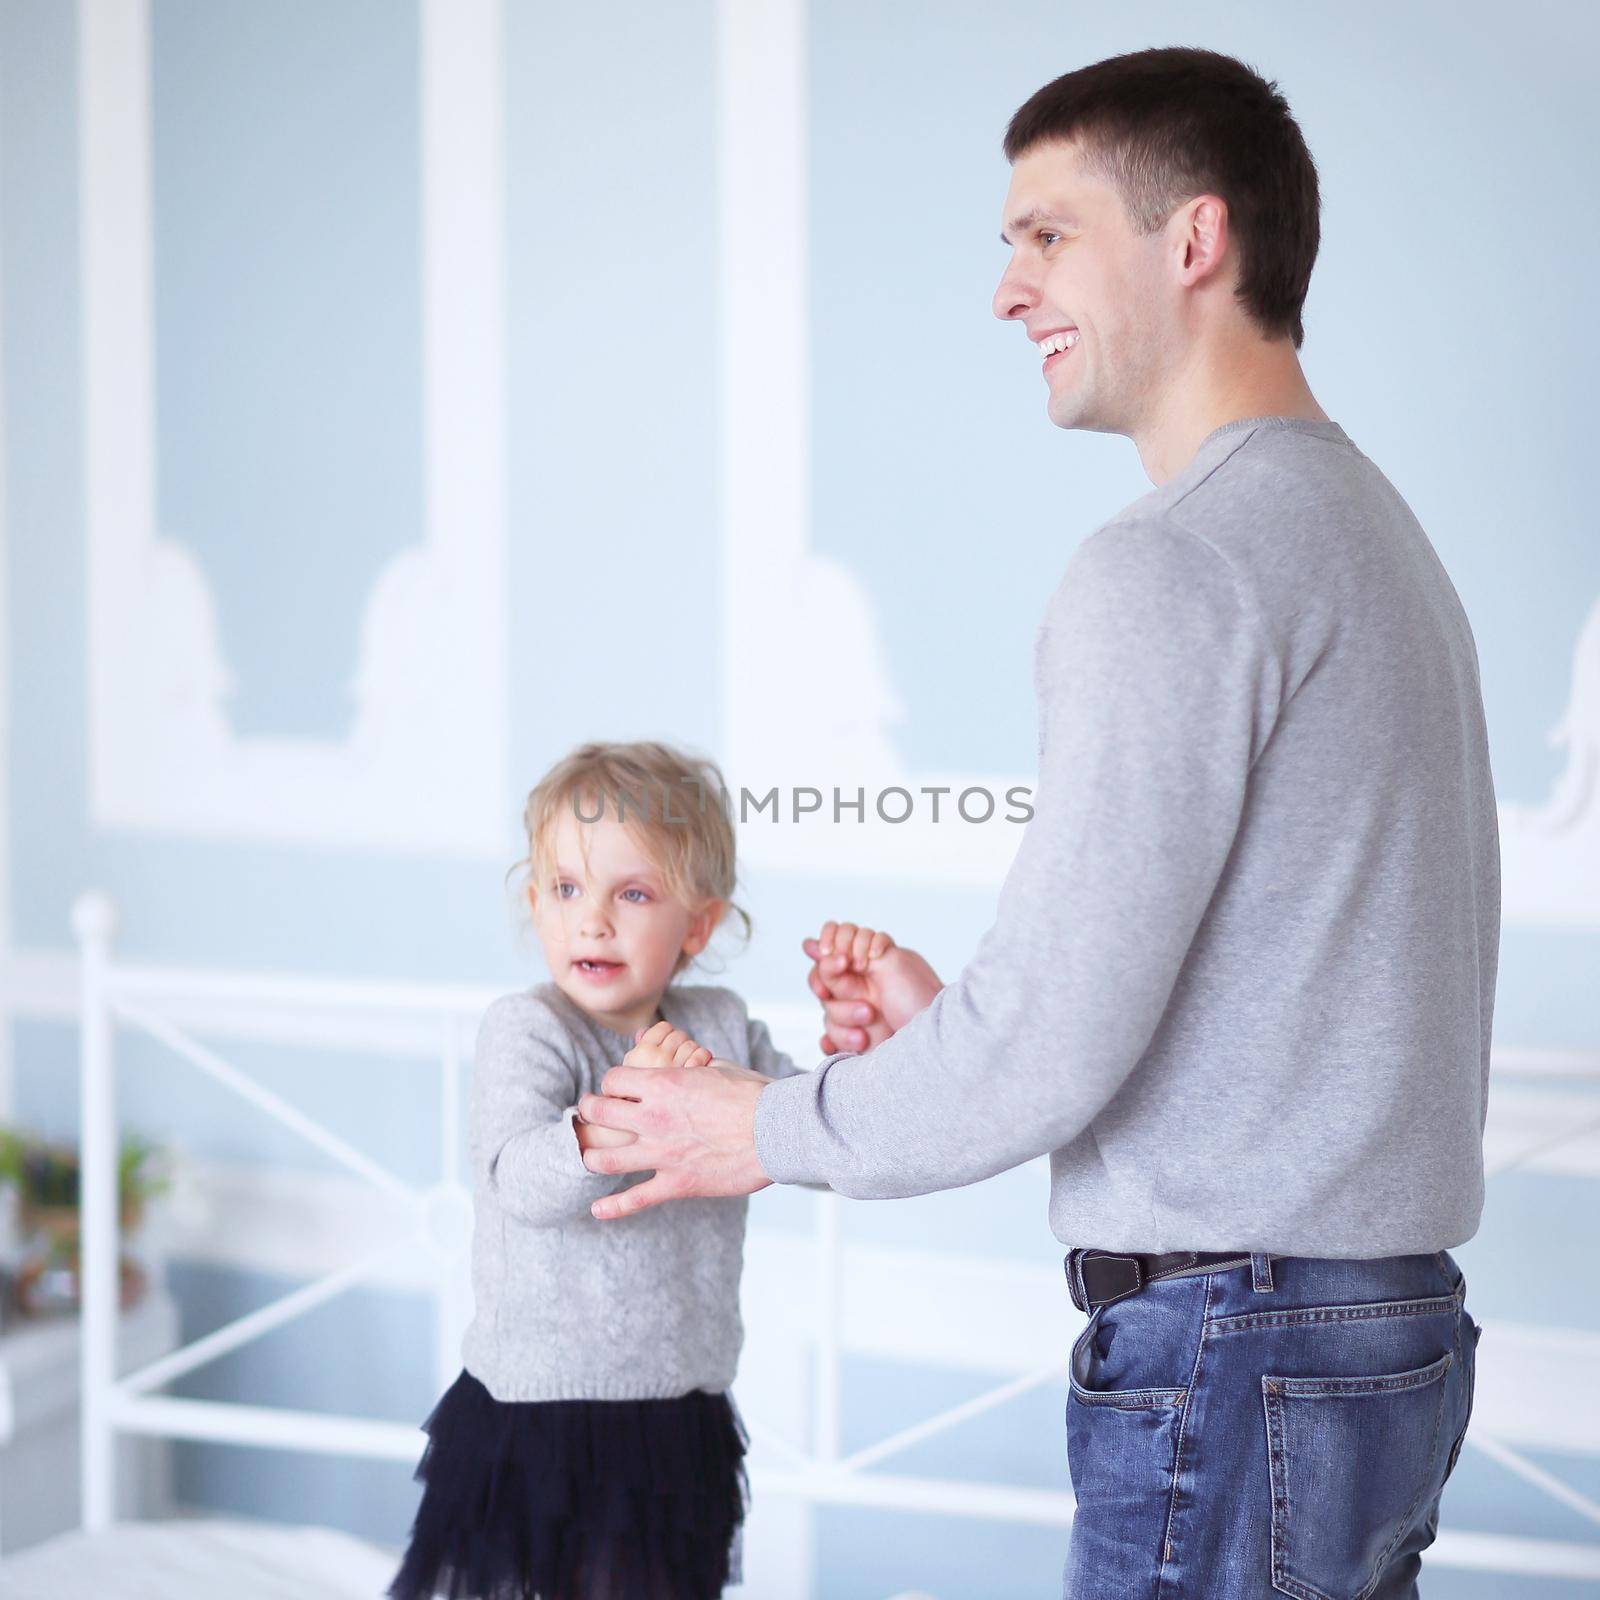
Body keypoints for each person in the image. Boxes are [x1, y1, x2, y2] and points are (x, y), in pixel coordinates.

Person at [575, 46, 1499, 1600]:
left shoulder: (1174, 566)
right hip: (1378, 1346)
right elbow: (1275, 987)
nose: (1008, 291)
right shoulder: (1372, 535)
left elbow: (1054, 1039)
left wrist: (764, 1127)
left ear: (1193, 241)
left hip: (1239, 1353)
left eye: (1047, 235)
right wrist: (965, 1034)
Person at [387, 738, 906, 1600]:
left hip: (677, 1411)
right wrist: (618, 1109)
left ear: (697, 926)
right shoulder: (531, 1029)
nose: (592, 918)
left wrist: (865, 1054)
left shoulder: (721, 1025)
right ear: (535, 904)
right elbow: (519, 1180)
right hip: (537, 1414)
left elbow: (804, 1139)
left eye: (632, 893)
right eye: (565, 889)